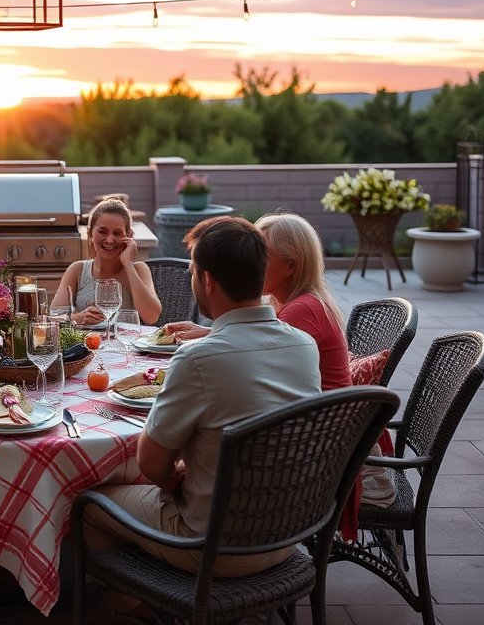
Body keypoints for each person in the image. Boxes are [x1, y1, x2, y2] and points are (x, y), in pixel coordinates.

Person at [82, 216, 321, 591]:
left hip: (213, 547)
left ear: (206, 280)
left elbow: (151, 464)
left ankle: (140, 609)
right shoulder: (304, 346)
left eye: (194, 271)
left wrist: (172, 476)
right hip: (289, 536)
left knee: (89, 503)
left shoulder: (198, 359)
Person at [166, 212, 351, 392]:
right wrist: (208, 332)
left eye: (261, 258)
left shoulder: (301, 310)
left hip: (327, 420)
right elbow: (259, 343)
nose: (250, 264)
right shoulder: (281, 301)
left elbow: (253, 362)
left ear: (291, 266)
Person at [51, 198, 162, 326]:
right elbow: (54, 317)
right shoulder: (77, 270)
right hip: (86, 344)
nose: (109, 240)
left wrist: (128, 264)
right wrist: (77, 318)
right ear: (90, 234)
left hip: (126, 344)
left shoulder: (139, 270)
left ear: (129, 235)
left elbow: (152, 317)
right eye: (102, 232)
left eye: (117, 233)